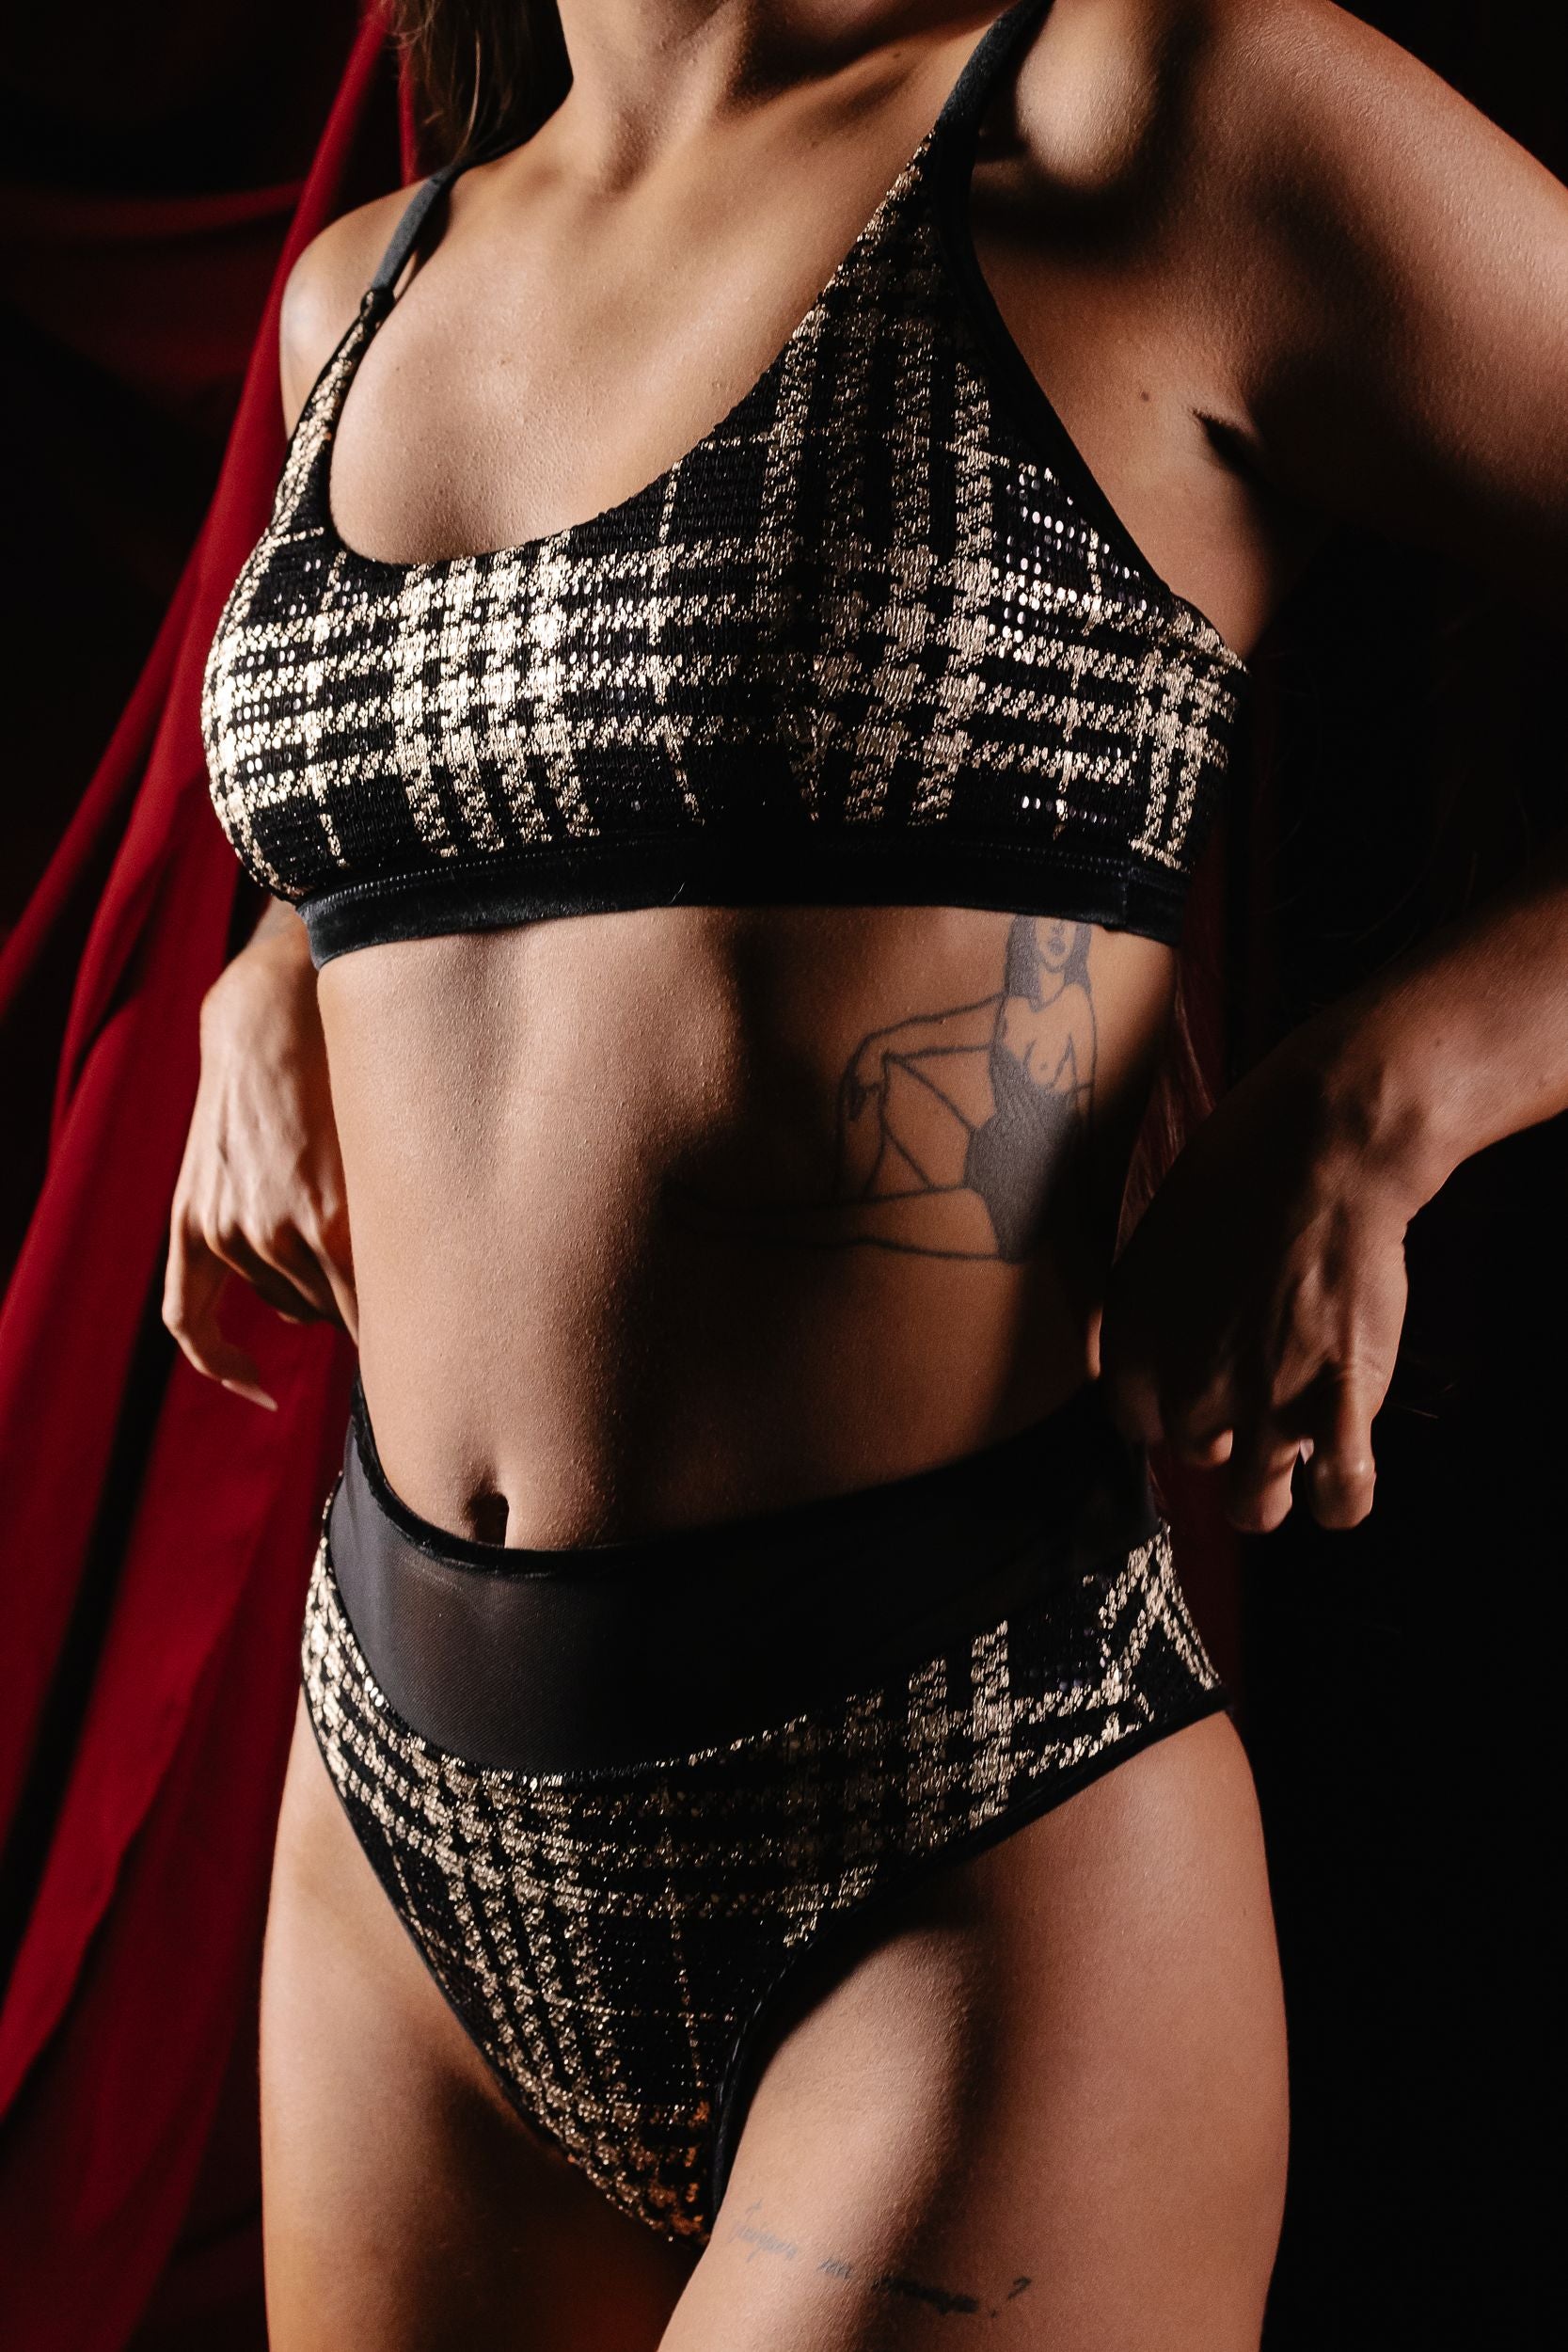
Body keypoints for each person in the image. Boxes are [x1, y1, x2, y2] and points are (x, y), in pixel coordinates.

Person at [167, 3, 1568, 2344]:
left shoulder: (1144, 114)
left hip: (950, 1806)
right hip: (397, 1834)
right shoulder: (370, 284)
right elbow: (521, 753)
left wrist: (1386, 1092)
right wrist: (277, 957)